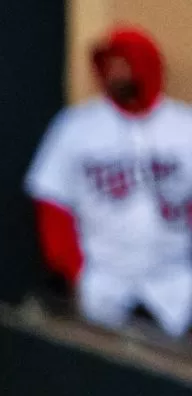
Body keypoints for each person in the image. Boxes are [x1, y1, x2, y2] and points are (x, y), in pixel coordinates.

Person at [28, 25, 192, 337]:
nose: (117, 74)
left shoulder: (185, 128)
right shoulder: (78, 126)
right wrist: (69, 269)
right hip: (101, 280)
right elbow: (52, 201)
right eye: (111, 66)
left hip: (176, 284)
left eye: (125, 65)